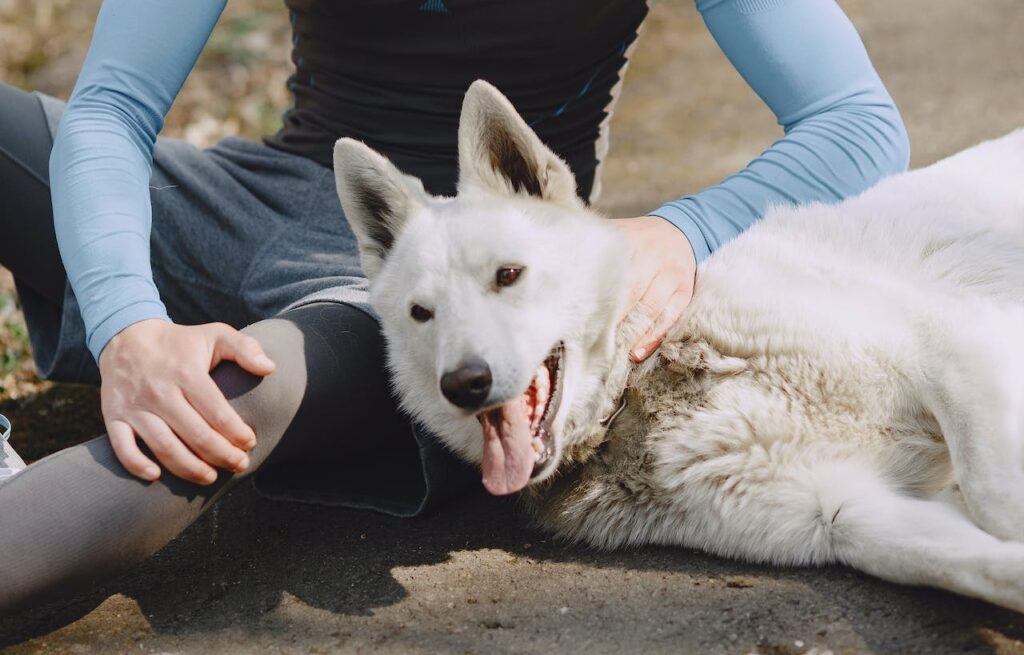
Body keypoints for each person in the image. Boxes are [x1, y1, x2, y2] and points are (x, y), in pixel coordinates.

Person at [0, 0, 909, 614]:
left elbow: (858, 124)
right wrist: (128, 322)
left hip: (443, 286)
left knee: (226, 404)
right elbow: (113, 106)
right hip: (255, 194)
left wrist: (681, 231)